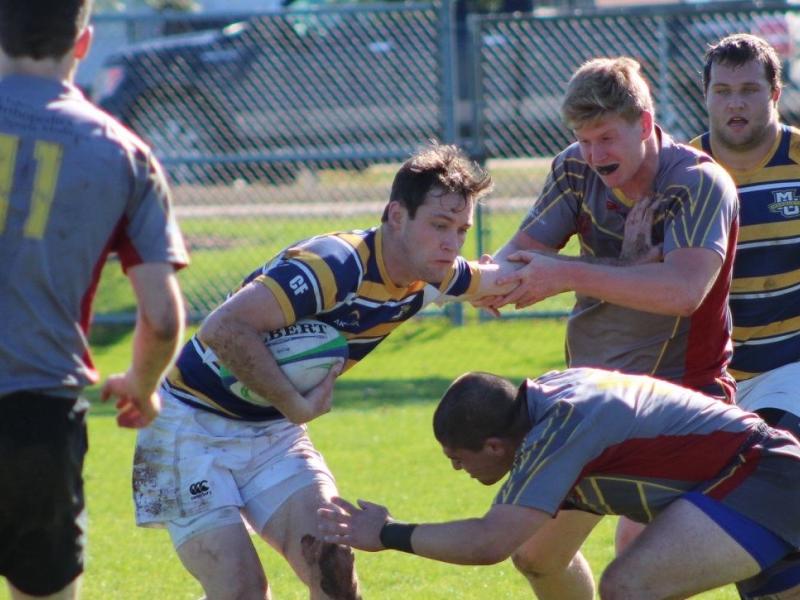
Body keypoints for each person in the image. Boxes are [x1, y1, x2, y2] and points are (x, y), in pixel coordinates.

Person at [132, 142, 518, 600]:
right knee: (241, 589)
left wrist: (534, 278)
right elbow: (223, 328)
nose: (452, 243)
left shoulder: (435, 273)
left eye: (461, 229)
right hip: (189, 428)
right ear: (397, 216)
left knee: (333, 564)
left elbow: (502, 277)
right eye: (439, 226)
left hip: (272, 432)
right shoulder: (333, 266)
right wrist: (294, 403)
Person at [473, 56, 740, 599]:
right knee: (535, 555)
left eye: (606, 139)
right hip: (593, 407)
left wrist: (566, 273)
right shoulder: (575, 169)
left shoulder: (697, 181)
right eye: (583, 140)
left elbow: (682, 291)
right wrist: (467, 278)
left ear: (645, 124)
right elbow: (519, 256)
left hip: (679, 405)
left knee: (635, 567)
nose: (594, 156)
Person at [0, 0, 189, 598]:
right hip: (37, 418)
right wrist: (142, 384)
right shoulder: (123, 152)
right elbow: (162, 317)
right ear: (83, 43)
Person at [319, 368, 800, 600]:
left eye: (457, 459)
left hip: (766, 478)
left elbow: (488, 542)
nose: (456, 471)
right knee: (538, 555)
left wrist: (387, 532)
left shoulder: (560, 428)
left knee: (628, 587)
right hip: (746, 481)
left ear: (494, 446)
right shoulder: (541, 407)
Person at [691, 32, 800, 600]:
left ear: (775, 94)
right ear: (705, 95)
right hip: (718, 385)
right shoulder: (682, 173)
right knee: (760, 554)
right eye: (723, 91)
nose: (735, 104)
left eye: (749, 90)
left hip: (793, 369)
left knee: (757, 491)